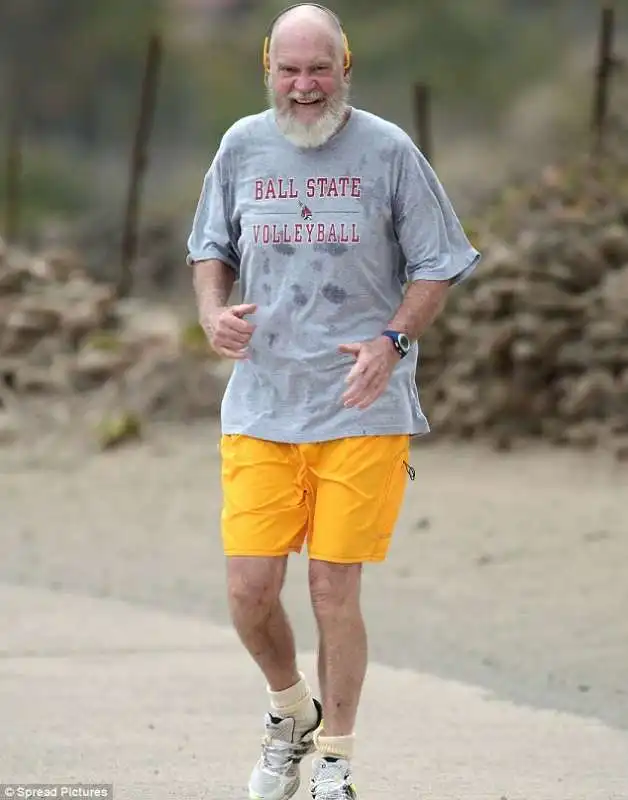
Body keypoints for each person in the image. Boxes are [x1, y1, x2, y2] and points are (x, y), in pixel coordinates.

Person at [186, 4, 480, 798]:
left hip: (361, 404)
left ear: (345, 65)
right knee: (249, 593)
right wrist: (214, 313)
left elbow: (440, 261)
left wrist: (392, 341)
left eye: (320, 68)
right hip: (262, 404)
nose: (306, 85)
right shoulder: (241, 146)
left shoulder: (389, 150)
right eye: (291, 70)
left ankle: (337, 763)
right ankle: (290, 714)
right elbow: (209, 248)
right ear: (268, 71)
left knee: (331, 589)